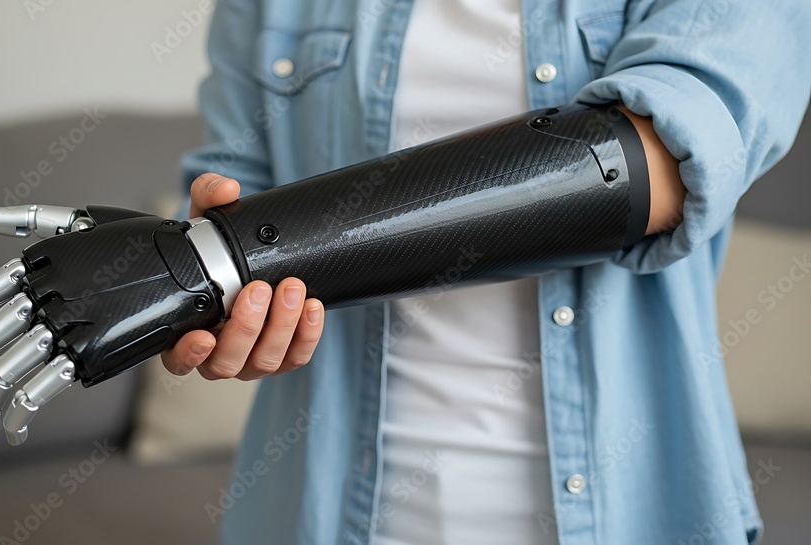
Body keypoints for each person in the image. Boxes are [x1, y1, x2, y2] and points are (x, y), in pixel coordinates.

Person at [159, 1, 810, 543]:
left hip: (623, 513)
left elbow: (646, 170)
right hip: (327, 511)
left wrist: (238, 249)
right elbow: (230, 201)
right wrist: (221, 294)